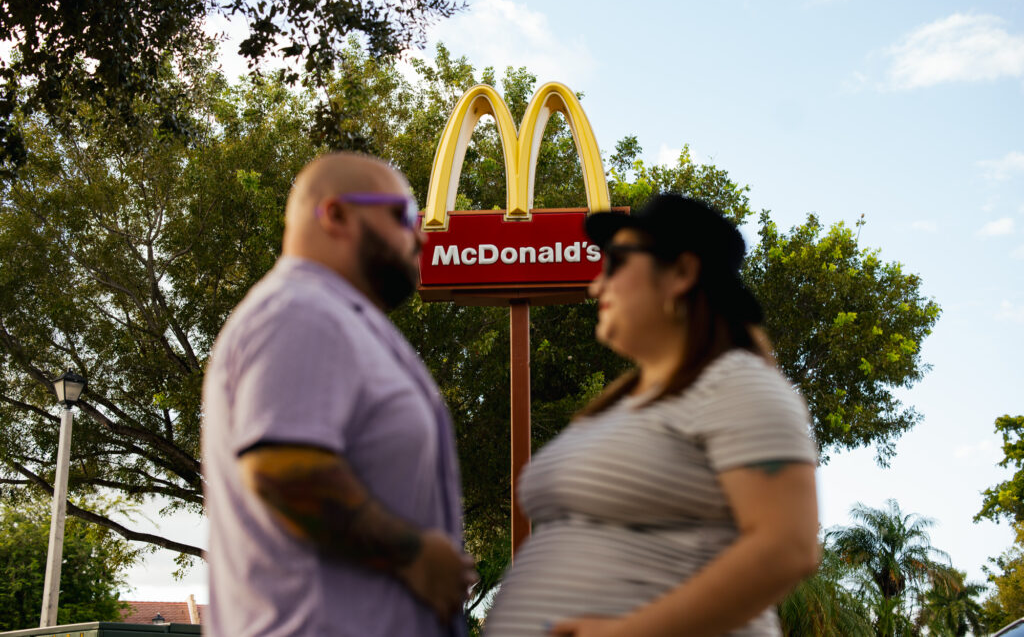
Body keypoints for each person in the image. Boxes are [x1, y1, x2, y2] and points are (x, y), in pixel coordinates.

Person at [485, 194, 820, 637]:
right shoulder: (620, 405)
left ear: (681, 273)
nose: (596, 286)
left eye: (615, 264)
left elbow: (787, 547)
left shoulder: (739, 383)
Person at [201, 152, 476, 637]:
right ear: (336, 215)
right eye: (404, 215)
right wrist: (414, 554)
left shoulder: (338, 317)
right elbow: (283, 468)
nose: (422, 235)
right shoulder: (301, 310)